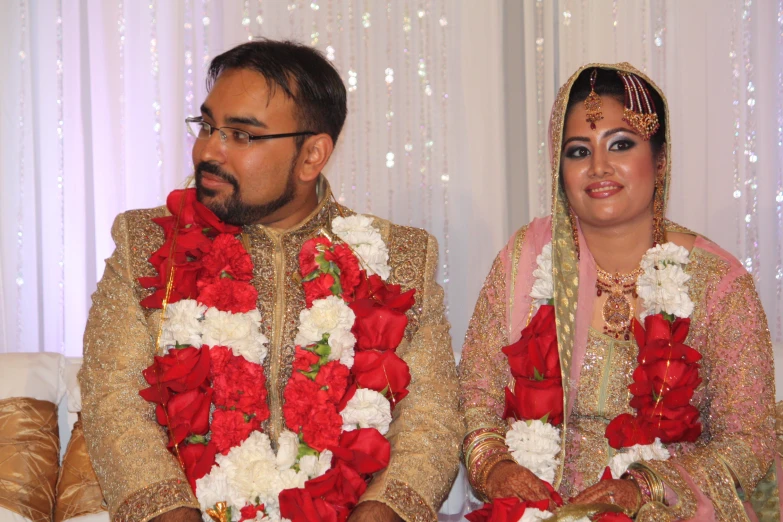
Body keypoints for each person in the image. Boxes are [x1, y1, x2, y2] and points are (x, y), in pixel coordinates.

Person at [79, 39, 462, 522]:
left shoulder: (398, 259)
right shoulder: (149, 247)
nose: (209, 151)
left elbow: (430, 419)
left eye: (241, 135)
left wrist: (381, 512)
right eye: (208, 126)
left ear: (311, 155)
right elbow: (114, 402)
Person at [458, 62, 778, 521]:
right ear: (558, 167)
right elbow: (474, 394)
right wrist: (497, 465)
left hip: (667, 508)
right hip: (537, 505)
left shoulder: (718, 283)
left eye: (621, 145)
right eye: (577, 151)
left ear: (661, 159)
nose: (598, 167)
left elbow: (750, 442)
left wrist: (645, 485)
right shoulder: (523, 262)